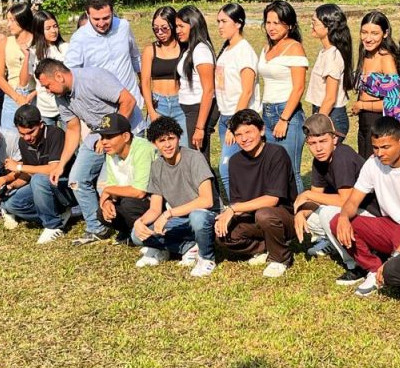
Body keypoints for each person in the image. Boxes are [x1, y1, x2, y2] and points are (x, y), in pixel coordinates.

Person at [35, 57, 144, 245]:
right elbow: (72, 128)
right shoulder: (61, 98)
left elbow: (128, 101)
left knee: (107, 184)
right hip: (98, 135)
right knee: (76, 179)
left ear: (59, 76)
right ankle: (96, 228)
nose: (47, 90)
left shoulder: (93, 78)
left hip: (126, 131)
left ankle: (125, 227)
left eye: (48, 85)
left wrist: (112, 135)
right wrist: (60, 165)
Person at [331, 116, 400, 296]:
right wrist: (343, 217)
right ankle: (374, 269)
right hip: (391, 225)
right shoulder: (373, 163)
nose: (380, 153)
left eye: (386, 147)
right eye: (375, 147)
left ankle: (391, 267)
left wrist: (394, 260)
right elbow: (353, 201)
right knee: (336, 221)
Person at [132, 115, 219, 276]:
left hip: (206, 217)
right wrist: (140, 222)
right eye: (161, 141)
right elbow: (155, 209)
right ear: (154, 143)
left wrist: (169, 213)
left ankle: (206, 258)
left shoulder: (194, 158)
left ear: (179, 138)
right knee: (136, 234)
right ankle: (187, 247)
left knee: (197, 217)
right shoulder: (157, 166)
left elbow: (207, 200)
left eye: (171, 138)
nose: (167, 144)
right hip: (180, 220)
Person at [216, 108, 297, 278]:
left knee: (264, 214)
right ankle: (264, 247)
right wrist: (227, 216)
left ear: (261, 130)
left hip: (283, 218)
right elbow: (238, 203)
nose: (244, 138)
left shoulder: (276, 154)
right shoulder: (235, 162)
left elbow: (272, 199)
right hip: (253, 218)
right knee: (220, 233)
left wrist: (233, 209)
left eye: (248, 131)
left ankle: (280, 258)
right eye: (238, 134)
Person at [292, 113, 371, 284]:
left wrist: (306, 195)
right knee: (310, 217)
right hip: (355, 211)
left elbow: (346, 201)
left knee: (327, 213)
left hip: (373, 213)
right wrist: (301, 213)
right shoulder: (319, 161)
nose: (318, 148)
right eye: (312, 143)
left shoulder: (342, 155)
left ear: (334, 139)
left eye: (323, 141)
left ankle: (357, 265)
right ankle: (334, 241)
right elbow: (317, 196)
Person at [0, 104, 76, 244]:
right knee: (12, 204)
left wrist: (18, 166)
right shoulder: (23, 142)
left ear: (41, 124)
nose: (27, 137)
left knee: (39, 179)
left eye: (31, 132)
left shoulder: (56, 133)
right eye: (22, 133)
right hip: (43, 186)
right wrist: (11, 186)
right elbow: (29, 173)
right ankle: (58, 215)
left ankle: (53, 226)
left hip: (67, 186)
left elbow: (53, 169)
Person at [258, 0, 308, 191]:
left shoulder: (294, 47)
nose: (271, 28)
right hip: (268, 111)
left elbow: (298, 88)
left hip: (287, 112)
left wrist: (284, 118)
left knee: (290, 169)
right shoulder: (266, 47)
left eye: (277, 23)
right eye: (268, 23)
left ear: (290, 25)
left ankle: (299, 216)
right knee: (273, 169)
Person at [64, 0, 143, 108]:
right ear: (87, 14)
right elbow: (71, 75)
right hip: (103, 107)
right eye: (96, 19)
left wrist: (143, 83)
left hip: (132, 100)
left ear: (112, 12)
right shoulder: (79, 38)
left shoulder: (123, 27)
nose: (101, 23)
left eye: (106, 18)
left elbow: (135, 57)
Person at [214, 3, 260, 199]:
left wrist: (235, 126)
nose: (220, 26)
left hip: (240, 119)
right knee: (236, 168)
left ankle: (238, 209)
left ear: (238, 23)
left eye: (224, 21)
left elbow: (247, 90)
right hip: (226, 118)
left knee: (225, 170)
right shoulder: (226, 49)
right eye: (218, 22)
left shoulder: (244, 51)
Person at [351, 10, 400, 159]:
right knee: (364, 165)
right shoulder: (366, 54)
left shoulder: (385, 58)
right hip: (364, 121)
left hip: (378, 120)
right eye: (364, 32)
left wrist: (363, 105)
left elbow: (396, 101)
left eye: (374, 33)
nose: (368, 38)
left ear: (385, 33)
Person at [95, 113, 157, 240]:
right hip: (132, 199)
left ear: (126, 136)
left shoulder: (143, 149)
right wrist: (107, 202)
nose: (104, 142)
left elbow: (139, 192)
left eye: (109, 136)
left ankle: (153, 236)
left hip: (156, 202)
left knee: (129, 204)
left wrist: (107, 190)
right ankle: (132, 233)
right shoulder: (111, 153)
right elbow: (113, 186)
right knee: (102, 213)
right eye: (102, 137)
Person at [175, 5, 219, 161]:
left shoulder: (201, 51)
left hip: (198, 109)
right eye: (176, 26)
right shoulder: (191, 49)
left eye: (181, 26)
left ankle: (209, 187)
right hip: (190, 109)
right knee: (195, 161)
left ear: (193, 24)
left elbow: (208, 90)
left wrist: (200, 127)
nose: (177, 30)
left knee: (199, 163)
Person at [305, 4, 352, 136]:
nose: (311, 26)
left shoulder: (333, 56)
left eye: (314, 22)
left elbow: (330, 98)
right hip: (323, 112)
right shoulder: (325, 52)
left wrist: (317, 124)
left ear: (328, 26)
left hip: (331, 116)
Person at [141, 6, 187, 140]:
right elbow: (144, 83)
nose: (159, 32)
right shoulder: (150, 50)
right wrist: (151, 111)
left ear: (173, 26)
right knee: (156, 149)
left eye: (164, 28)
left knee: (184, 146)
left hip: (180, 104)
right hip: (158, 104)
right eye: (155, 28)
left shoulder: (184, 49)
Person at [0, 2, 36, 133]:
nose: (8, 25)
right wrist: (16, 97)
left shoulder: (38, 41)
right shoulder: (5, 42)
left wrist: (32, 95)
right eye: (8, 20)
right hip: (12, 95)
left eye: (12, 20)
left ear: (23, 19)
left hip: (34, 95)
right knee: (9, 137)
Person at [22, 9, 66, 127]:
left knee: (70, 143)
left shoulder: (65, 48)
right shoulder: (33, 52)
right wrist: (26, 57)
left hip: (65, 106)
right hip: (44, 109)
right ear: (39, 31)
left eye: (55, 26)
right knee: (49, 143)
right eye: (48, 28)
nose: (53, 31)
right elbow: (24, 82)